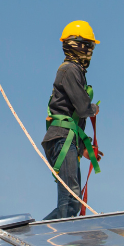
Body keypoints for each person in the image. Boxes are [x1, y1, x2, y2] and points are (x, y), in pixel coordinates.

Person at [42, 21, 103, 220]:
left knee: (73, 200)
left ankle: (42, 234)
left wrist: (82, 147)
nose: (90, 52)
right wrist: (94, 109)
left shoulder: (73, 70)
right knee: (70, 197)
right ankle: (56, 240)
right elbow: (82, 107)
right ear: (79, 45)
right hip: (62, 137)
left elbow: (73, 114)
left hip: (66, 138)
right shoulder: (70, 70)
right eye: (89, 46)